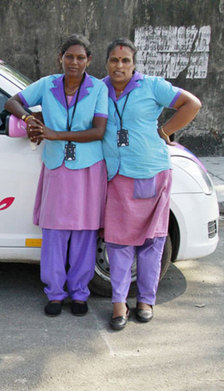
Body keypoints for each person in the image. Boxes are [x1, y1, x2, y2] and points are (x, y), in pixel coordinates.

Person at [5, 34, 108, 317]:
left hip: (88, 168)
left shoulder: (98, 89)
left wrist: (54, 133)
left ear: (88, 61)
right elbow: (12, 101)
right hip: (56, 167)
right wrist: (29, 118)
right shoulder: (48, 84)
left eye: (80, 57)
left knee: (84, 232)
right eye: (69, 56)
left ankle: (79, 293)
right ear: (60, 58)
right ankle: (54, 293)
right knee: (54, 232)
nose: (74, 62)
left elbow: (98, 131)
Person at [102, 38, 201, 331]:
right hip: (117, 175)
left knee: (151, 241)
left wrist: (166, 129)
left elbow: (191, 104)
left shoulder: (152, 86)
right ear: (106, 63)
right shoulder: (98, 89)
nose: (119, 66)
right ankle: (119, 303)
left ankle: (146, 300)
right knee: (118, 242)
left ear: (134, 64)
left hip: (150, 173)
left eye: (125, 61)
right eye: (114, 60)